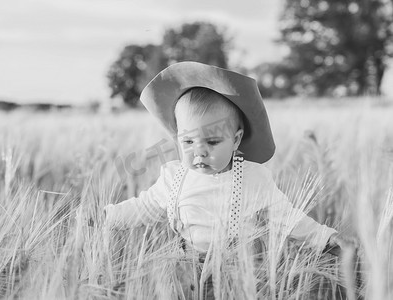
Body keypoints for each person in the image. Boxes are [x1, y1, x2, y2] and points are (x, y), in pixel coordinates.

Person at [104, 61, 349, 299]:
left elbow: (287, 218)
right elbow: (144, 207)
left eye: (212, 142)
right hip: (184, 271)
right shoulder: (173, 176)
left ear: (236, 139)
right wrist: (109, 216)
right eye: (187, 141)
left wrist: (324, 238)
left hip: (239, 274)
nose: (199, 152)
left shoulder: (253, 179)